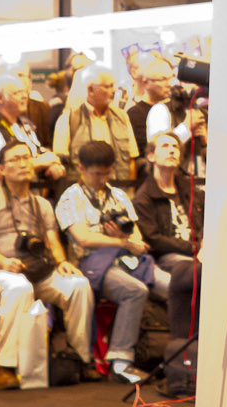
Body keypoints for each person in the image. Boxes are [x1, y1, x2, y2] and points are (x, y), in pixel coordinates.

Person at [0, 140, 95, 389]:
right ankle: (4, 366)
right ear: (1, 169)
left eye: (27, 158)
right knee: (19, 287)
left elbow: (52, 239)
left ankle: (80, 359)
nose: (24, 163)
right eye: (15, 159)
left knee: (78, 285)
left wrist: (61, 262)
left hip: (38, 269)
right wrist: (2, 261)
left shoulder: (42, 203)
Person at [56, 141, 165, 384]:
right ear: (81, 169)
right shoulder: (71, 197)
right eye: (97, 174)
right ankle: (121, 362)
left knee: (173, 286)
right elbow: (83, 239)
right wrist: (120, 241)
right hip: (91, 263)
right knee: (134, 290)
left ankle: (185, 358)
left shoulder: (118, 195)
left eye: (107, 173)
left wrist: (127, 240)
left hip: (128, 258)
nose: (102, 178)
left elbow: (136, 236)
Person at [131, 131, 200, 342]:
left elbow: (204, 221)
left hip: (198, 252)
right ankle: (190, 342)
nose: (171, 150)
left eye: (175, 147)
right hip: (170, 257)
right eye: (165, 146)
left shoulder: (190, 190)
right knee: (195, 272)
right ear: (151, 156)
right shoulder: (144, 197)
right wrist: (193, 248)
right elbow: (154, 239)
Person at [0, 75, 66, 188]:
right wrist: (41, 163)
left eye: (24, 92)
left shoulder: (24, 125)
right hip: (1, 202)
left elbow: (40, 153)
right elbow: (0, 173)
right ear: (0, 98)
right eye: (17, 93)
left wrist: (52, 164)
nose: (24, 96)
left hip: (29, 198)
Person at [52, 65, 136, 184]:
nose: (113, 91)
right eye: (108, 86)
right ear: (90, 89)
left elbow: (131, 161)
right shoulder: (68, 119)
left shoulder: (122, 117)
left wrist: (129, 191)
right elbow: (60, 162)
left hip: (118, 192)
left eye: (114, 85)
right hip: (83, 196)